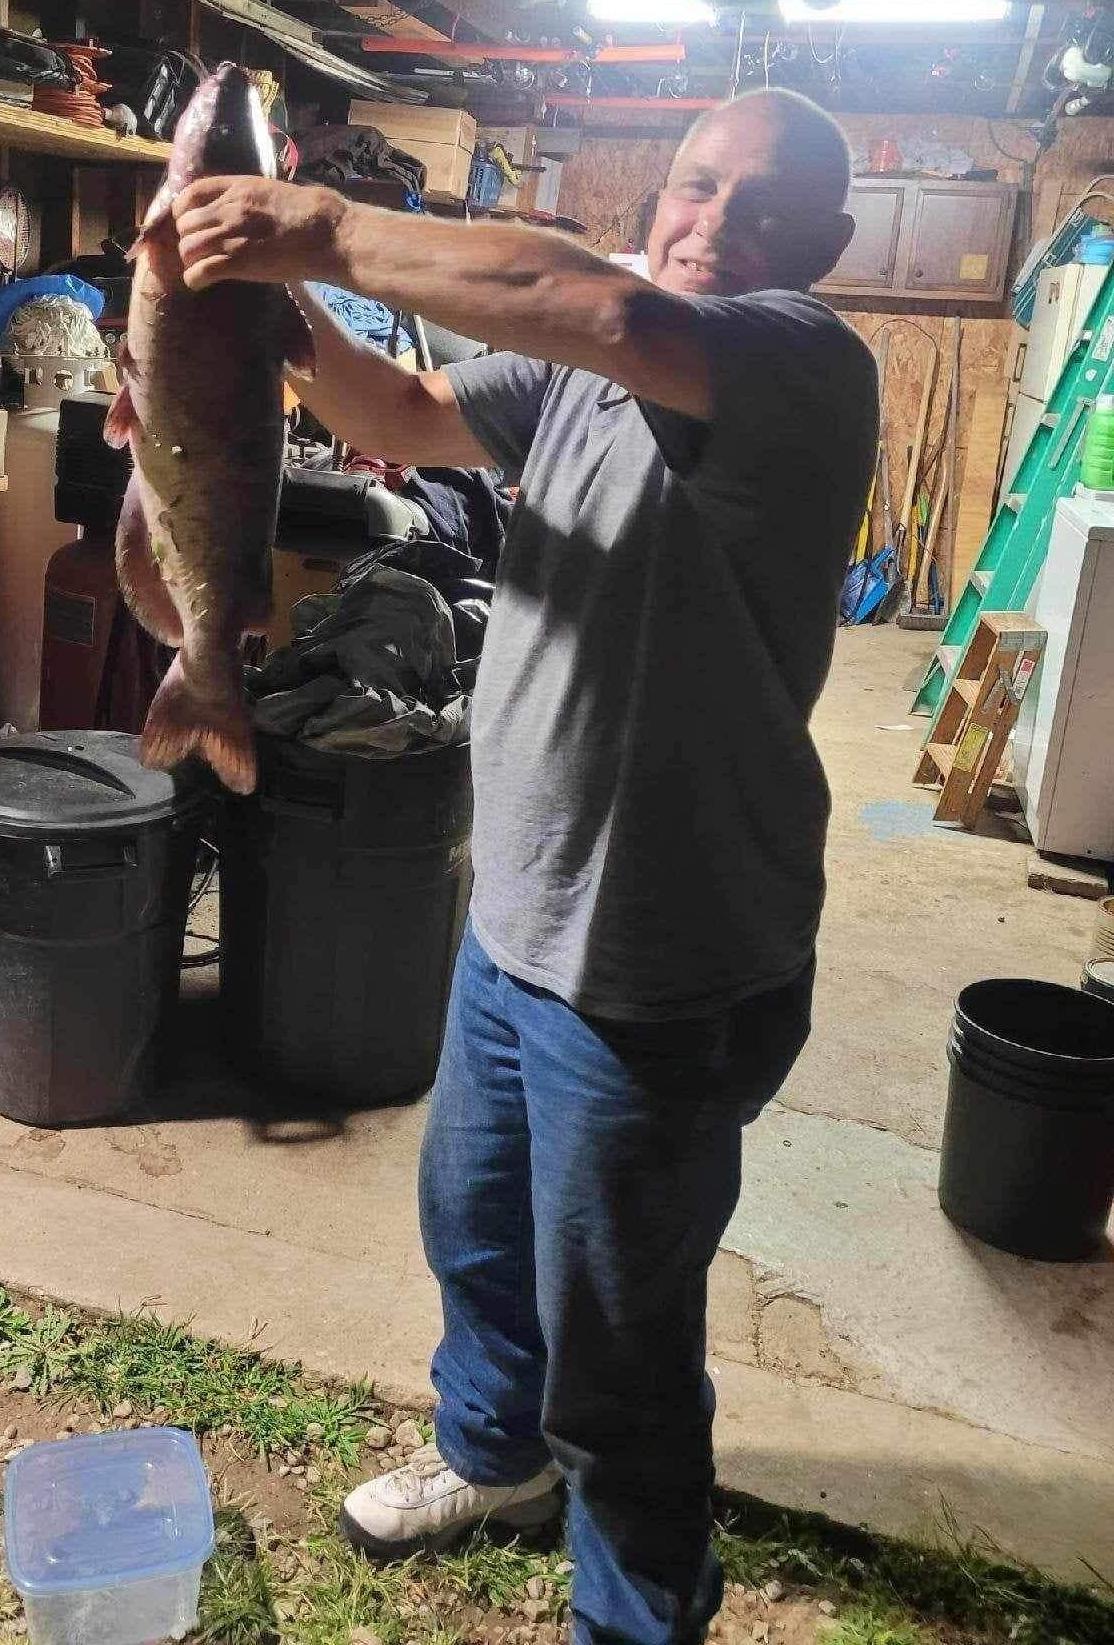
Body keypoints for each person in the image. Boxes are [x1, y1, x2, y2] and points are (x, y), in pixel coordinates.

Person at [173, 86, 878, 1645]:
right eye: (697, 184)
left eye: (762, 208)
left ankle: (636, 1615)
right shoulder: (577, 362)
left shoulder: (798, 362)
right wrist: (274, 317)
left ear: (822, 247)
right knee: (476, 1226)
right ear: (659, 189)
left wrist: (322, 225)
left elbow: (610, 307)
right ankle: (496, 1459)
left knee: (619, 1340)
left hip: (662, 951)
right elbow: (398, 412)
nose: (714, 221)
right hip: (519, 912)